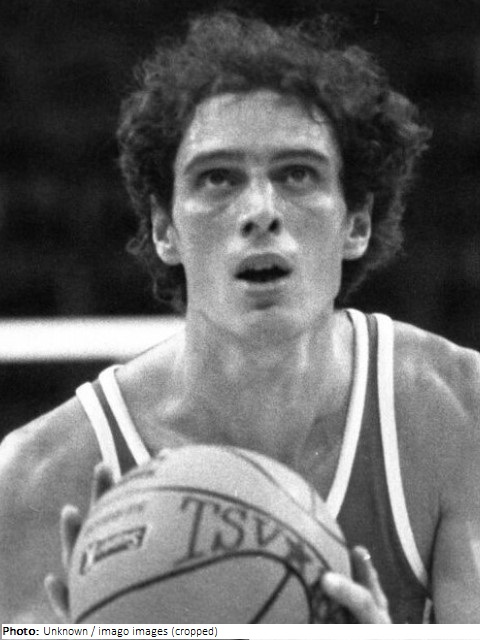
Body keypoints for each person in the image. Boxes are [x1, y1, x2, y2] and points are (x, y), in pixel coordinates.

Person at [1, 9, 480, 624]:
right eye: (218, 178)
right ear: (164, 229)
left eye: (297, 174)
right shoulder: (38, 479)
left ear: (357, 223)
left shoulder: (459, 416)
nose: (260, 210)